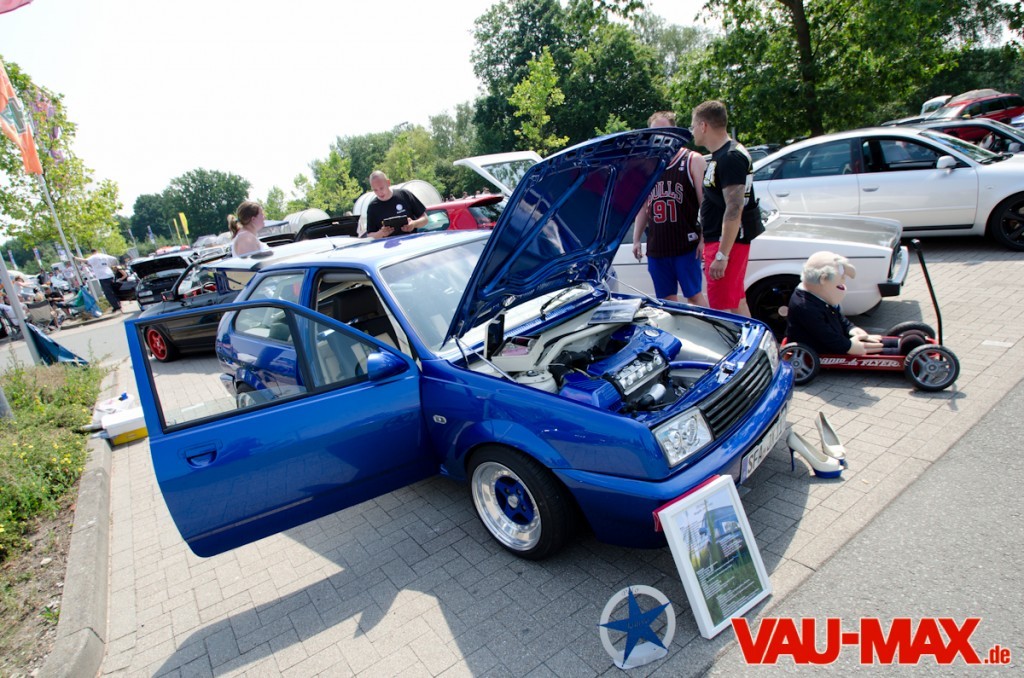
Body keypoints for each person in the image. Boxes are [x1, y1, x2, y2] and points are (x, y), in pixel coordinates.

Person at [690, 100, 765, 316]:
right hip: (721, 241)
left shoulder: (730, 157)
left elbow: (734, 208)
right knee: (736, 302)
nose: (692, 131)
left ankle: (733, 339)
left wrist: (722, 255)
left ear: (704, 126)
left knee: (723, 311)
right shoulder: (721, 155)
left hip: (727, 244)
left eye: (693, 126)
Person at [632, 111, 708, 306]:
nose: (660, 136)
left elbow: (705, 204)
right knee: (665, 301)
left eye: (664, 130)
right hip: (657, 246)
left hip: (686, 244)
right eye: (655, 132)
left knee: (694, 296)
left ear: (674, 131)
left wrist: (704, 238)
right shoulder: (648, 165)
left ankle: (705, 325)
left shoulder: (692, 160)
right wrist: (636, 239)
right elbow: (643, 206)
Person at [785, 251, 888, 355]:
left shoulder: (819, 295)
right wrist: (849, 346)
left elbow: (837, 316)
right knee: (887, 351)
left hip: (836, 340)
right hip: (819, 348)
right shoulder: (805, 307)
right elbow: (825, 335)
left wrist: (850, 328)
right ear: (823, 279)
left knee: (887, 343)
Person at [364, 171, 428, 239]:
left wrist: (414, 224)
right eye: (375, 190)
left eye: (381, 188)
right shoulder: (372, 207)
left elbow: (425, 219)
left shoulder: (404, 195)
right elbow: (370, 235)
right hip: (388, 244)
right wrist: (381, 233)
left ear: (388, 183)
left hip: (411, 241)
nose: (379, 192)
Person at [75, 248, 122, 313]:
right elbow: (114, 259)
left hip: (103, 276)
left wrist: (75, 258)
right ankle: (119, 303)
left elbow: (85, 260)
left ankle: (116, 306)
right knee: (114, 290)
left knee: (108, 293)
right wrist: (111, 265)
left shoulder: (94, 257)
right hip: (110, 274)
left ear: (92, 252)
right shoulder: (103, 255)